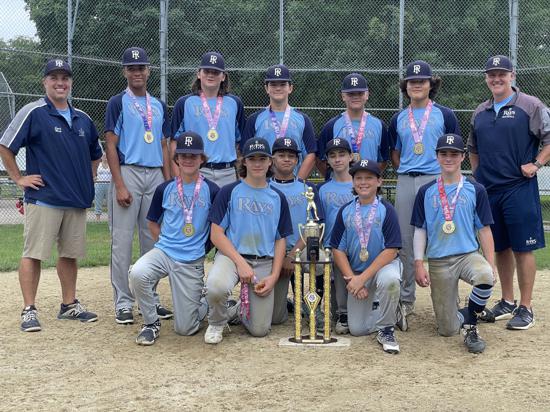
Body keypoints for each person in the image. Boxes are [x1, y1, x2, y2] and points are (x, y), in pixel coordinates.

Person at [0, 59, 102, 331]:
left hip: (75, 200)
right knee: (33, 254)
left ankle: (69, 305)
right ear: (44, 82)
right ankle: (29, 309)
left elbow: (96, 154)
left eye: (65, 78)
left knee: (69, 254)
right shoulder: (34, 112)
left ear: (70, 83)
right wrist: (18, 178)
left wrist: (90, 176)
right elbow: (5, 146)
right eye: (54, 77)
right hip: (44, 197)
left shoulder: (83, 118)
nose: (60, 83)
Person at [469, 55, 550, 330]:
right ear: (486, 78)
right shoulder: (480, 111)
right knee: (500, 247)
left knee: (523, 248)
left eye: (502, 74)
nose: (496, 79)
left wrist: (537, 163)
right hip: (490, 191)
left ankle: (526, 307)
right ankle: (507, 301)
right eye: (491, 74)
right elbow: (473, 148)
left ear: (512, 76)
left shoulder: (531, 105)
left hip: (519, 188)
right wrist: (478, 175)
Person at [128, 132, 220, 345]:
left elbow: (216, 229)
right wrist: (164, 243)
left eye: (193, 155)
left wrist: (200, 249)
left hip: (191, 259)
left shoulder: (212, 190)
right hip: (165, 252)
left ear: (202, 159)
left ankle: (204, 302)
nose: (188, 159)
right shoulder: (165, 188)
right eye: (183, 155)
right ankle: (151, 323)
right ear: (176, 159)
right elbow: (152, 222)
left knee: (186, 329)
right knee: (138, 272)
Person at [105, 47, 172, 325]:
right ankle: (123, 302)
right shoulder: (117, 102)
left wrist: (168, 183)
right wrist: (120, 184)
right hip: (129, 171)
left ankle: (150, 299)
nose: (137, 72)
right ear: (125, 71)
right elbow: (110, 144)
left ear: (148, 71)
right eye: (131, 68)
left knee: (153, 241)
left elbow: (164, 146)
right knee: (122, 242)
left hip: (155, 174)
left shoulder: (158, 105)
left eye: (141, 67)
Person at [389, 60, 460, 322]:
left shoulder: (445, 114)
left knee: (444, 237)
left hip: (436, 179)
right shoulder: (398, 118)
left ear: (431, 84)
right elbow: (395, 152)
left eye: (422, 80)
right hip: (407, 179)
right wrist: (408, 169)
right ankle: (406, 300)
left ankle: (448, 300)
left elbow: (454, 150)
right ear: (405, 86)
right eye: (412, 81)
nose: (417, 84)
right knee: (405, 241)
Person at [411, 133, 496, 353]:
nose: (449, 158)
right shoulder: (425, 191)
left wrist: (491, 264)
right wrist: (419, 263)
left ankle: (471, 324)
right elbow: (420, 229)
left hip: (468, 255)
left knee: (485, 276)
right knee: (447, 330)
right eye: (444, 153)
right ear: (437, 156)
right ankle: (467, 312)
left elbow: (484, 229)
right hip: (439, 261)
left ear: (463, 157)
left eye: (454, 154)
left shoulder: (476, 189)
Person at [205, 137, 292, 344]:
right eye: (252, 159)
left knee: (260, 330)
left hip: (263, 261)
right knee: (216, 287)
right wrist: (240, 263)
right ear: (244, 161)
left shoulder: (277, 197)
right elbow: (216, 234)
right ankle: (216, 322)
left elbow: (280, 240)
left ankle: (236, 310)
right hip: (232, 257)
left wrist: (274, 275)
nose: (257, 163)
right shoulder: (229, 191)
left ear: (270, 161)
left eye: (262, 158)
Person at [330, 159, 402, 354]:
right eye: (359, 178)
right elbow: (337, 249)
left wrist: (362, 279)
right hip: (357, 272)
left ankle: (387, 328)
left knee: (390, 280)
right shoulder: (345, 211)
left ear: (379, 181)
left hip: (383, 268)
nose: (363, 182)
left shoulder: (387, 209)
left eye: (369, 178)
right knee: (357, 329)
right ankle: (390, 310)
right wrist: (353, 280)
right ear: (353, 182)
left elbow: (392, 249)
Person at [268, 137, 324, 326]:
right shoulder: (264, 187)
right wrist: (282, 256)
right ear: (272, 159)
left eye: (291, 156)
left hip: (301, 247)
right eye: (281, 155)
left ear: (297, 160)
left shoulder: (308, 188)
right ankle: (287, 302)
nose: (286, 159)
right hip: (272, 251)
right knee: (275, 318)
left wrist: (293, 254)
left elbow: (315, 225)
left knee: (321, 260)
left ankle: (314, 305)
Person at [171, 51, 246, 187]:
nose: (211, 75)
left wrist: (241, 176)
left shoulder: (235, 103)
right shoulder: (184, 103)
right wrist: (178, 177)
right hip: (196, 170)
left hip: (227, 172)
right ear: (199, 74)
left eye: (216, 72)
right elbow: (174, 142)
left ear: (223, 77)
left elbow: (240, 143)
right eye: (206, 71)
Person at [242, 64, 317, 180]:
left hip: (292, 182)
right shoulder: (254, 119)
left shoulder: (303, 119)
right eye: (273, 84)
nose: (278, 88)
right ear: (266, 88)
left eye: (282, 84)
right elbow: (244, 153)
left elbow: (311, 154)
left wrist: (297, 183)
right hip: (262, 184)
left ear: (290, 88)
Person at [317, 73, 390, 177]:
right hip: (339, 183)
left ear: (367, 95)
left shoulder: (379, 125)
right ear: (343, 96)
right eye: (351, 94)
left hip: (367, 184)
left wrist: (370, 177)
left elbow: (383, 160)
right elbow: (320, 160)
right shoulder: (331, 126)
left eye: (360, 93)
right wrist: (335, 179)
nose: (356, 97)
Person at [317, 138, 355, 334]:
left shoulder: (360, 184)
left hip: (357, 246)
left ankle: (346, 312)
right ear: (327, 160)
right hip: (331, 247)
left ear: (351, 157)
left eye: (342, 154)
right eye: (332, 156)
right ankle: (339, 312)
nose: (337, 159)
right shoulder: (323, 189)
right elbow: (319, 222)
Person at [94, 152, 111, 221]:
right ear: (101, 157)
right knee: (98, 201)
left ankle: (110, 218)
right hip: (99, 184)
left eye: (106, 156)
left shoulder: (111, 165)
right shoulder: (99, 165)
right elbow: (94, 173)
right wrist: (94, 178)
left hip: (109, 184)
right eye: (104, 156)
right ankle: (98, 219)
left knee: (110, 202)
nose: (105, 157)